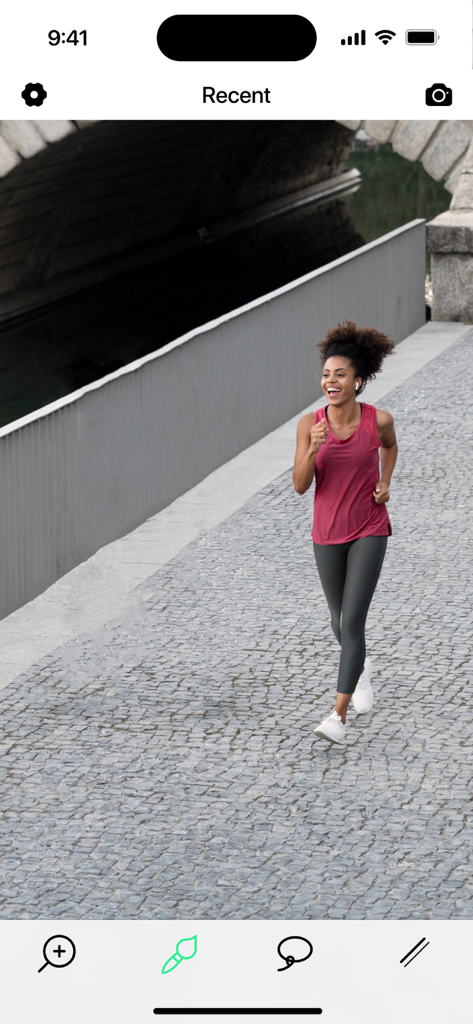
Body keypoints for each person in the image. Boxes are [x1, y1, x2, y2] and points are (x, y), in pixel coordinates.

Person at [293, 320, 398, 745]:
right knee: (339, 622)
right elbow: (300, 485)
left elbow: (389, 447)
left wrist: (385, 481)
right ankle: (361, 665)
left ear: (358, 380)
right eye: (325, 374)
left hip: (370, 528)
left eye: (339, 374)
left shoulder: (379, 420)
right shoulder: (308, 424)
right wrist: (314, 446)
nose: (330, 381)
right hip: (326, 532)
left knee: (352, 619)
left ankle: (337, 716)